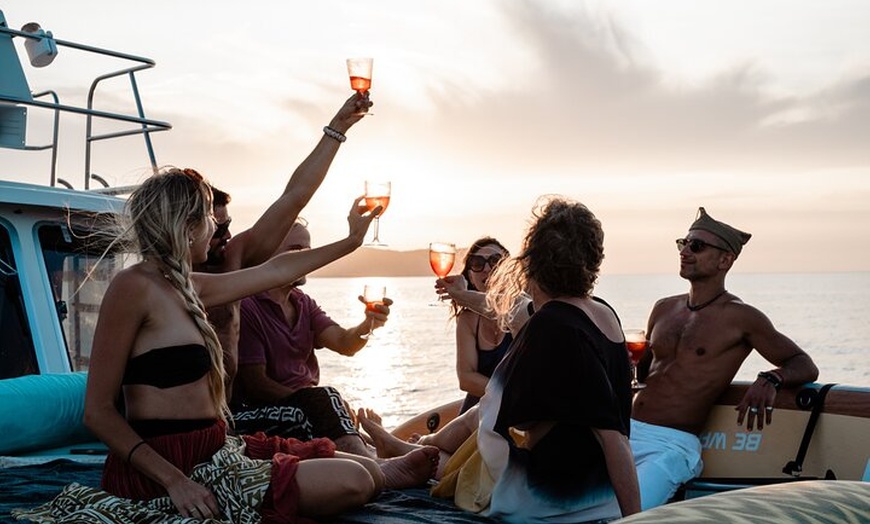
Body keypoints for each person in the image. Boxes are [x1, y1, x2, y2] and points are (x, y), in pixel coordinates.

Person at [14, 169, 439, 524]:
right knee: (355, 480)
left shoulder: (189, 286)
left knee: (361, 468)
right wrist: (175, 482)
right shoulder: (132, 288)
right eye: (208, 220)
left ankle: (383, 466)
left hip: (215, 450)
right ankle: (384, 471)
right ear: (186, 224)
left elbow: (276, 270)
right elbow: (98, 412)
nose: (216, 229)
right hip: (169, 464)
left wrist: (351, 241)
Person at [360, 196, 641, 522]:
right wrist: (463, 296)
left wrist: (635, 519)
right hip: (584, 487)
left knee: (473, 444)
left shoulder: (555, 326)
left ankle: (395, 451)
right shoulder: (601, 311)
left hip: (544, 496)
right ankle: (402, 448)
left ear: (532, 261)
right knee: (481, 421)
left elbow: (611, 435)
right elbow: (511, 310)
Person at [630, 207, 820, 510]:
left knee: (630, 512)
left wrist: (770, 378)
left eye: (697, 246)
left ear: (725, 260)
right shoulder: (662, 309)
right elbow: (639, 373)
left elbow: (803, 363)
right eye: (683, 243)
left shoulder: (741, 318)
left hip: (671, 446)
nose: (685, 251)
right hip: (625, 431)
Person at [193, 93, 372, 402]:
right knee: (324, 404)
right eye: (216, 227)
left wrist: (337, 128)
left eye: (227, 224)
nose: (225, 233)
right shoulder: (163, 280)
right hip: (201, 416)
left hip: (222, 417)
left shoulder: (235, 258)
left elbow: (294, 197)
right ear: (189, 226)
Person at [232, 219, 391, 457]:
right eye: (296, 250)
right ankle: (377, 465)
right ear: (270, 255)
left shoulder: (303, 302)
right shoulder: (248, 305)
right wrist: (314, 401)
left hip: (304, 403)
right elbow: (257, 384)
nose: (307, 257)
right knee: (325, 401)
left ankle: (377, 449)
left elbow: (345, 344)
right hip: (259, 411)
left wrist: (368, 324)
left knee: (329, 404)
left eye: (308, 250)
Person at [450, 237, 512, 414]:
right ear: (470, 275)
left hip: (516, 412)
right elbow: (466, 379)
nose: (487, 268)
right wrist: (510, 394)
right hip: (478, 409)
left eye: (496, 261)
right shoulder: (467, 320)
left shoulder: (522, 310)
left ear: (509, 270)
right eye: (478, 263)